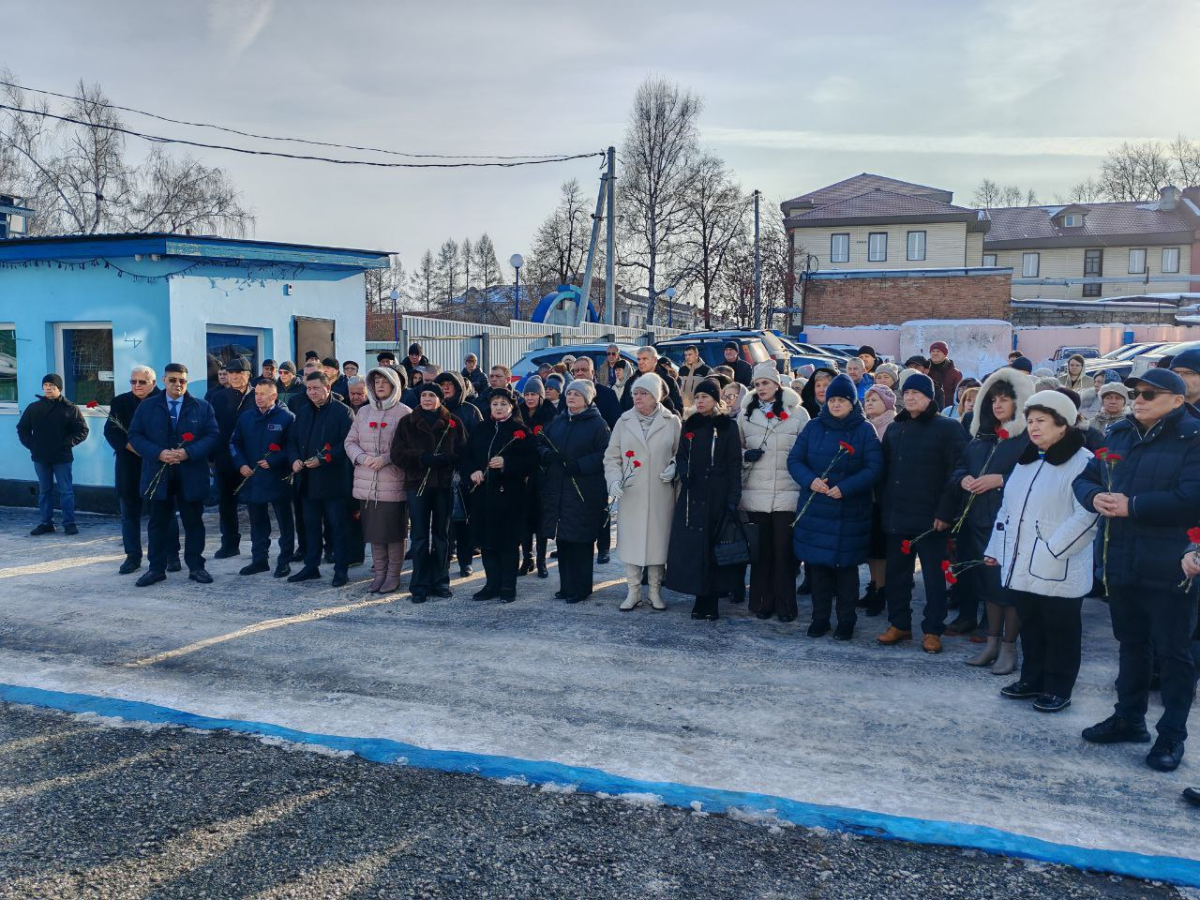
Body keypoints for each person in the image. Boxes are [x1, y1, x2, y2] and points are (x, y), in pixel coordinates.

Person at [1074, 368, 1200, 772]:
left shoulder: (1193, 438)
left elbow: (1191, 498)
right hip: (1123, 560)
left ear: (1178, 401)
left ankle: (1171, 736)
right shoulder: (1120, 434)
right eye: (1136, 392)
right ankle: (1129, 718)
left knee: (1174, 653)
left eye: (1149, 394)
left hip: (1171, 564)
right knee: (1131, 645)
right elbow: (1085, 479)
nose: (1138, 399)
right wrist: (1094, 498)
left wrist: (1134, 506)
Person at [983, 390, 1099, 713]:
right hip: (1023, 563)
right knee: (1031, 625)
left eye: (1042, 422)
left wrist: (1053, 549)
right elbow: (1008, 510)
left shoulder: (1083, 461)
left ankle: (1059, 687)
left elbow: (1088, 515)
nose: (1033, 428)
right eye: (1030, 421)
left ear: (1062, 425)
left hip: (1058, 565)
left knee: (1061, 630)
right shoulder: (1027, 459)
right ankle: (1032, 679)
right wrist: (997, 548)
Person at [877, 373, 968, 653]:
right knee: (897, 576)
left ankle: (932, 630)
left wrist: (945, 512)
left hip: (932, 520)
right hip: (897, 516)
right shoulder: (895, 428)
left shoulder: (948, 428)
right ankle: (899, 624)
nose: (911, 397)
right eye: (907, 393)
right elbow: (885, 471)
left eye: (917, 392)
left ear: (930, 398)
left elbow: (957, 473)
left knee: (932, 578)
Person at [789, 373, 883, 638]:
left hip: (848, 511)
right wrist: (811, 481)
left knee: (846, 572)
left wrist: (846, 487)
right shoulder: (814, 427)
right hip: (817, 508)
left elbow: (874, 467)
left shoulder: (864, 430)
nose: (836, 404)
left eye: (842, 400)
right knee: (817, 569)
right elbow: (795, 460)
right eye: (832, 400)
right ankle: (820, 619)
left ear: (853, 402)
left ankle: (846, 621)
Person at [950, 366, 1033, 653]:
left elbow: (1036, 478)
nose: (997, 405)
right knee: (968, 569)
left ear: (1018, 402)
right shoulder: (981, 435)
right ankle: (966, 615)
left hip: (1001, 519)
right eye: (993, 400)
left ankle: (992, 625)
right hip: (971, 515)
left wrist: (1000, 480)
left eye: (1004, 400)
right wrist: (963, 478)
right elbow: (959, 465)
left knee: (994, 574)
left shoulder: (1026, 439)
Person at [128, 363, 220, 587]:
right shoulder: (148, 407)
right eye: (172, 380)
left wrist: (188, 452)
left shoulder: (201, 406)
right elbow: (135, 435)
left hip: (190, 473)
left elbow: (213, 435)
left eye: (182, 380)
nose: (177, 384)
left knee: (193, 523)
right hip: (158, 475)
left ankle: (196, 567)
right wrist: (158, 453)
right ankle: (156, 569)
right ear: (163, 380)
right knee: (158, 523)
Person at [664, 379, 743, 621]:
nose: (699, 401)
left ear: (715, 400)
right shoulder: (690, 424)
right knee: (693, 547)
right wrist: (685, 471)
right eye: (697, 397)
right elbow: (681, 454)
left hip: (717, 493)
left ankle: (712, 600)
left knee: (712, 545)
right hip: (693, 492)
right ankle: (698, 596)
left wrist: (733, 498)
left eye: (705, 397)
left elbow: (733, 464)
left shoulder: (727, 427)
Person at [739, 364, 810, 622]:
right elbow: (734, 449)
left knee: (785, 554)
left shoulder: (799, 414)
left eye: (765, 383)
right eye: (757, 385)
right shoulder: (746, 414)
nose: (761, 389)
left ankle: (786, 605)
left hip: (787, 494)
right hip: (756, 495)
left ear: (777, 385)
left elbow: (807, 451)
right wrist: (745, 456)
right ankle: (762, 603)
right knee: (762, 555)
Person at [604, 372, 681, 612]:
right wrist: (614, 480)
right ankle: (633, 591)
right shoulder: (624, 421)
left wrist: (675, 468)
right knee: (632, 543)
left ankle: (655, 592)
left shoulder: (672, 421)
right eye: (635, 393)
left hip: (661, 492)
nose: (637, 397)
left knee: (658, 544)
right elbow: (611, 456)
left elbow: (682, 453)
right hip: (633, 492)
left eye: (643, 393)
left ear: (655, 396)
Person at [391, 383, 465, 603]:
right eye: (423, 395)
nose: (427, 399)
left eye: (432, 395)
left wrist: (447, 459)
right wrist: (421, 457)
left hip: (442, 485)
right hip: (417, 484)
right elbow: (397, 454)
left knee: (442, 535)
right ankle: (420, 584)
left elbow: (463, 451)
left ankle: (441, 582)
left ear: (440, 398)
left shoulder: (453, 422)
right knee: (420, 536)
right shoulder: (407, 422)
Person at [539, 380, 611, 603]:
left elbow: (604, 454)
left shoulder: (597, 424)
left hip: (584, 490)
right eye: (569, 393)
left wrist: (579, 465)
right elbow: (542, 442)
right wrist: (548, 455)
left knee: (581, 541)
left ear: (587, 399)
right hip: (559, 488)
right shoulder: (558, 420)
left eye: (577, 395)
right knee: (564, 540)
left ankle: (581, 588)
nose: (571, 397)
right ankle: (566, 585)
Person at [463, 387, 538, 602]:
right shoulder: (480, 429)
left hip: (510, 497)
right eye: (495, 404)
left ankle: (508, 586)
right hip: (483, 496)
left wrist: (507, 463)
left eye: (503, 404)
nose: (498, 408)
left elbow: (532, 461)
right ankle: (491, 584)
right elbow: (467, 456)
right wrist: (473, 471)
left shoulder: (520, 431)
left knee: (507, 543)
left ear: (511, 407)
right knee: (487, 543)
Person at [105, 366, 179, 573]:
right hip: (129, 464)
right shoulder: (119, 402)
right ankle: (132, 556)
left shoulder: (166, 400)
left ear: (154, 383)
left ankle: (172, 555)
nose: (136, 386)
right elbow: (113, 433)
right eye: (133, 382)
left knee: (165, 513)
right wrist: (141, 450)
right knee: (129, 513)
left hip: (159, 465)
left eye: (142, 382)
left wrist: (153, 453)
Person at [286, 371, 356, 587]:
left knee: (337, 526)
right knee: (310, 526)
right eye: (308, 388)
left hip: (333, 481)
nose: (312, 392)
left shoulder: (343, 412)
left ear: (328, 388)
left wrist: (324, 459)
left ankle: (341, 569)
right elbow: (292, 441)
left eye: (316, 388)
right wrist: (295, 459)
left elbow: (347, 444)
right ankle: (311, 566)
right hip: (307, 481)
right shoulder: (304, 411)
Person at [346, 366, 411, 594]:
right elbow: (350, 441)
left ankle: (393, 575)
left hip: (392, 482)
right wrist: (362, 457)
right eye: (376, 383)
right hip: (366, 483)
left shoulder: (405, 412)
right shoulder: (363, 412)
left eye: (385, 382)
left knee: (393, 533)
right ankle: (380, 573)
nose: (380, 386)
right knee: (374, 532)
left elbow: (409, 447)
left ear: (394, 385)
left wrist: (386, 458)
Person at [229, 379, 296, 578]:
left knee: (284, 522)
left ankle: (284, 560)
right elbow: (234, 442)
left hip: (277, 478)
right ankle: (259, 560)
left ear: (273, 396)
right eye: (256, 393)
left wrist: (275, 460)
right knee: (257, 521)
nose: (258, 397)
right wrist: (240, 464)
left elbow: (293, 447)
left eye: (263, 394)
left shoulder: (287, 418)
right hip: (252, 478)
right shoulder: (246, 417)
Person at [17, 373, 89, 536]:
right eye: (46, 386)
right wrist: (32, 445)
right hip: (40, 457)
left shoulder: (70, 408)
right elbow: (22, 428)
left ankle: (69, 523)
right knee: (45, 491)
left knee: (66, 491)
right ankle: (46, 523)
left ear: (59, 388)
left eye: (52, 386)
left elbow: (82, 431)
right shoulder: (34, 408)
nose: (48, 389)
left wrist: (66, 443)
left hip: (62, 457)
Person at [568, 356, 621, 563]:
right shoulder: (570, 393)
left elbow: (616, 424)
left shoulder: (606, 395)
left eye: (584, 370)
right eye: (576, 371)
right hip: (575, 462)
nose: (580, 373)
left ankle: (604, 547)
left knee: (600, 506)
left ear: (593, 373)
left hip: (600, 458)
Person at [434, 371, 483, 576]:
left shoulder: (470, 411)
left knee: (462, 520)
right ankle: (441, 562)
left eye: (450, 384)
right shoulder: (433, 409)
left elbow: (479, 442)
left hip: (463, 474)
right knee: (441, 523)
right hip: (437, 473)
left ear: (458, 387)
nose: (446, 387)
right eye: (442, 384)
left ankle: (465, 561)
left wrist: (470, 468)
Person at [208, 356, 255, 559]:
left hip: (251, 459)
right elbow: (211, 428)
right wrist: (212, 457)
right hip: (225, 459)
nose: (234, 376)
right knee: (226, 503)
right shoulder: (218, 397)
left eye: (239, 373)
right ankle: (229, 543)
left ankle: (259, 547)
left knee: (256, 503)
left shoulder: (258, 395)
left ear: (248, 375)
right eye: (231, 373)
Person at [860, 384, 896, 613]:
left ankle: (882, 591)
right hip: (868, 497)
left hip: (885, 498)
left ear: (887, 403)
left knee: (882, 550)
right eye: (867, 399)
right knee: (872, 548)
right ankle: (873, 586)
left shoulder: (892, 427)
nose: (869, 403)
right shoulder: (867, 426)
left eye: (875, 399)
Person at [517, 375, 557, 578]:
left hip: (542, 473)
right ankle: (527, 559)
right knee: (524, 520)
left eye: (534, 394)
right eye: (527, 394)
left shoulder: (550, 415)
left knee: (541, 520)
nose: (530, 398)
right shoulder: (519, 414)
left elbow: (552, 443)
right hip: (523, 474)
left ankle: (541, 560)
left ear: (541, 396)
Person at [620, 347, 684, 414]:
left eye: (645, 359)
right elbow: (623, 408)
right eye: (639, 359)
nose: (640, 362)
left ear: (655, 360)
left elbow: (678, 410)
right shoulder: (631, 382)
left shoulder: (668, 381)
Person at [928, 341, 962, 406]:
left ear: (945, 354)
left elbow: (959, 395)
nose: (935, 353)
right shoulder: (924, 371)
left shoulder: (955, 373)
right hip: (927, 410)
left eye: (938, 351)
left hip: (947, 411)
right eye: (933, 351)